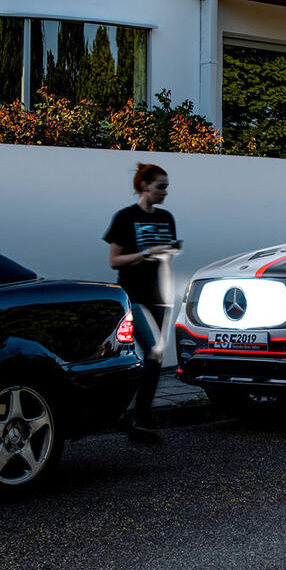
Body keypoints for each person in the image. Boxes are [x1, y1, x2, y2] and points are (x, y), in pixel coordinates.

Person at [104, 163, 179, 443]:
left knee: (153, 359)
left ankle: (134, 416)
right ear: (144, 185)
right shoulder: (125, 217)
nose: (165, 192)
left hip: (160, 297)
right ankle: (139, 418)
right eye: (160, 186)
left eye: (167, 187)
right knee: (154, 352)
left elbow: (167, 257)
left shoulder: (167, 218)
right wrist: (146, 252)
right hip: (134, 296)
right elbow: (114, 260)